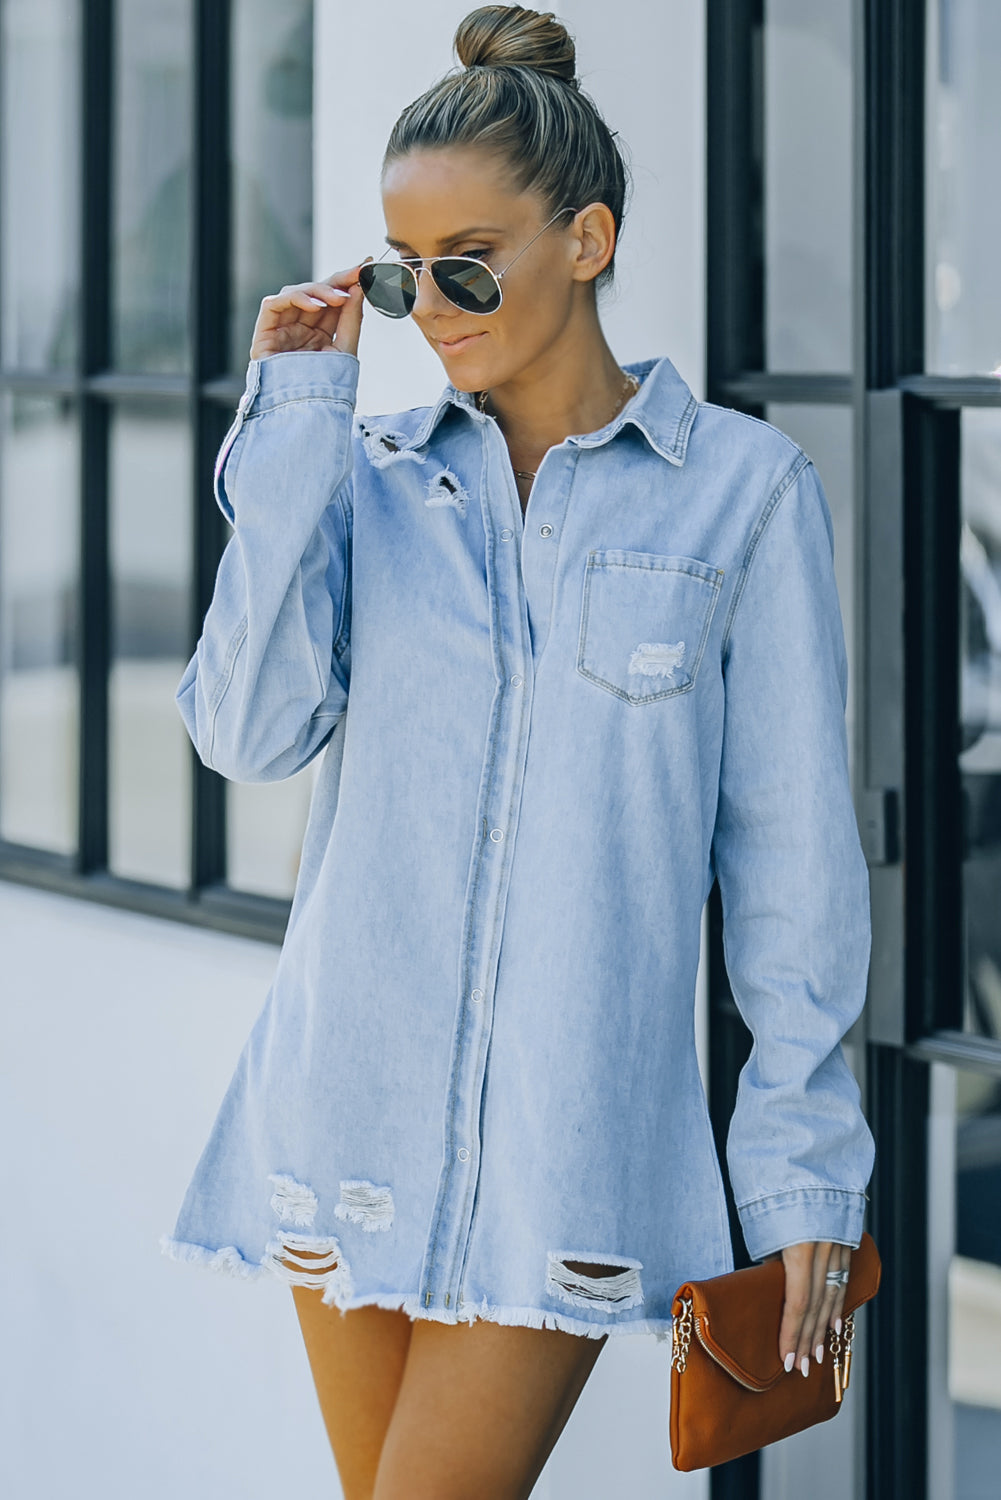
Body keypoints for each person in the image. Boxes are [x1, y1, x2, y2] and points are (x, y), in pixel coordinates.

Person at [160, 6, 876, 1497]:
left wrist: (802, 1167)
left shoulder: (742, 496)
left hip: (569, 1135)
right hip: (347, 1105)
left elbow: (793, 866)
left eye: (470, 263)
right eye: (401, 271)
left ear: (587, 240)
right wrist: (293, 416)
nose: (432, 307)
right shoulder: (368, 481)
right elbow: (243, 732)